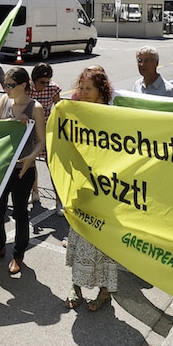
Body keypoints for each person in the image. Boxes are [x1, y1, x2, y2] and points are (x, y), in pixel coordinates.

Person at [0, 67, 46, 275]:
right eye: (5, 85)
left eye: (10, 85)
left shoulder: (35, 107)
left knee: (20, 213)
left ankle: (18, 254)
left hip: (22, 169)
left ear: (23, 85)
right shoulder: (4, 102)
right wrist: (12, 122)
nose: (5, 89)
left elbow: (41, 140)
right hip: (2, 166)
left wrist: (31, 158)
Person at [64, 67, 118, 312]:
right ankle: (75, 286)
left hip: (106, 189)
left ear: (101, 91)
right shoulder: (76, 112)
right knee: (78, 235)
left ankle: (104, 292)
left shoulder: (113, 116)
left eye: (89, 89)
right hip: (81, 186)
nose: (83, 93)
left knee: (104, 243)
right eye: (81, 88)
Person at [28, 62, 61, 205]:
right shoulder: (26, 88)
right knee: (31, 163)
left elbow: (59, 109)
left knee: (52, 166)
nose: (45, 85)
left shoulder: (53, 89)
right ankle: (34, 192)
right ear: (34, 79)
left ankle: (59, 200)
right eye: (42, 82)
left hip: (47, 132)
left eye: (48, 82)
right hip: (29, 132)